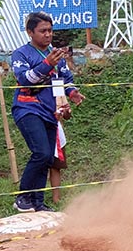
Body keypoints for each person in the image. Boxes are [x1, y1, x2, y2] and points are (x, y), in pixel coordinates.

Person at [11, 12, 85, 212]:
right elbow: (25, 79)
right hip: (27, 108)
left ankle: (37, 201)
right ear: (30, 32)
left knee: (48, 157)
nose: (48, 35)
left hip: (50, 111)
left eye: (50, 31)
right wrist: (47, 64)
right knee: (41, 152)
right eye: (43, 31)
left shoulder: (57, 56)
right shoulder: (21, 54)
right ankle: (23, 196)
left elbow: (63, 80)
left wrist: (72, 93)